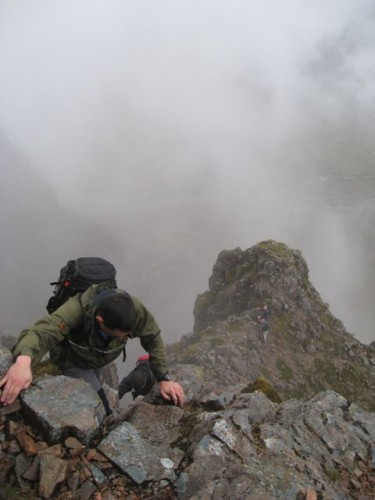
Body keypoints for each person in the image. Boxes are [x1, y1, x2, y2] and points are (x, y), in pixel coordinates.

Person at [0, 284, 184, 413]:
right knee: (101, 406)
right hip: (74, 360)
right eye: (117, 334)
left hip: (99, 358)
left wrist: (163, 378)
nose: (123, 338)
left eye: (126, 335)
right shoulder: (78, 309)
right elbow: (43, 331)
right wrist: (23, 362)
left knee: (98, 379)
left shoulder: (133, 309)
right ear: (99, 321)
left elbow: (152, 336)